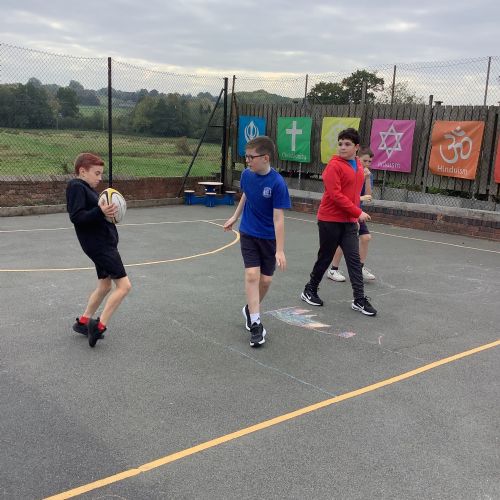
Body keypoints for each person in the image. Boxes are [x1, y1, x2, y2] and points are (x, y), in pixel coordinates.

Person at [223, 136, 291, 347]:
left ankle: (249, 309)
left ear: (265, 158)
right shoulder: (246, 175)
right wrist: (235, 217)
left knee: (266, 281)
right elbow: (247, 195)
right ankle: (256, 322)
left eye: (251, 157)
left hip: (269, 238)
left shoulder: (277, 183)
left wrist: (280, 250)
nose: (247, 161)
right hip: (249, 232)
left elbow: (278, 218)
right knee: (252, 275)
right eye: (246, 157)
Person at [301, 128, 377, 316]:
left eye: (347, 144)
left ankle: (359, 299)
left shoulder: (358, 165)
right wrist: (358, 212)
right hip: (329, 220)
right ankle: (310, 289)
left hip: (349, 221)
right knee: (325, 257)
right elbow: (335, 196)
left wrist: (354, 216)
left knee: (354, 260)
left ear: (356, 147)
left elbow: (355, 194)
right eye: (340, 143)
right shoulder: (333, 166)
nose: (342, 147)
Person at [66, 153, 132, 347]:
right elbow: (77, 217)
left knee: (104, 286)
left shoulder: (87, 189)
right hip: (100, 246)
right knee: (124, 286)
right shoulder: (76, 187)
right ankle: (99, 326)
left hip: (102, 244)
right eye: (96, 173)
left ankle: (83, 322)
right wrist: (100, 211)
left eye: (101, 173)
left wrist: (106, 213)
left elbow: (95, 215)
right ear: (82, 171)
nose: (100, 178)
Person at [327, 147, 376, 282]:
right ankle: (333, 270)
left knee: (365, 238)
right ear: (358, 159)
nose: (367, 164)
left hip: (357, 211)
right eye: (365, 161)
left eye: (370, 161)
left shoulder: (367, 174)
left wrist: (367, 178)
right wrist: (360, 198)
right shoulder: (350, 171)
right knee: (345, 241)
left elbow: (368, 196)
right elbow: (343, 196)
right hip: (346, 211)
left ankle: (360, 268)